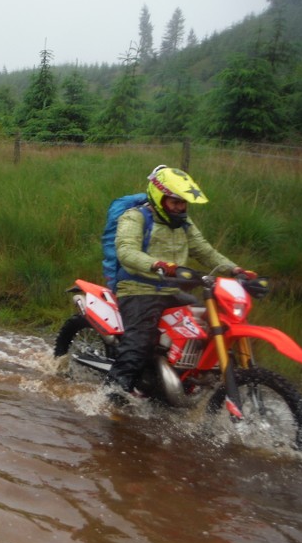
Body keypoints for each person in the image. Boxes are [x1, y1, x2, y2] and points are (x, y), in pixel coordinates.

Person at [105, 165, 256, 398]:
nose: (180, 207)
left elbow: (205, 251)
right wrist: (157, 264)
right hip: (138, 288)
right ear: (159, 197)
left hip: (171, 289)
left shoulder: (184, 223)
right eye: (175, 202)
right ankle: (112, 396)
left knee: (202, 329)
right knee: (137, 345)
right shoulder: (135, 217)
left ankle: (181, 377)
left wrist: (235, 269)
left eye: (183, 202)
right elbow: (126, 251)